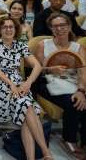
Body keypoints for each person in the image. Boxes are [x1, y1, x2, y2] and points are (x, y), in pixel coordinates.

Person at [0, 16, 53, 160]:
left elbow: (37, 66)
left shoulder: (21, 45)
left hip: (19, 85)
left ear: (16, 29)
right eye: (5, 27)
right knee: (28, 107)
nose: (9, 29)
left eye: (12, 27)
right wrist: (10, 83)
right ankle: (46, 152)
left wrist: (28, 83)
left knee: (26, 112)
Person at [35, 13, 86, 158]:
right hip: (49, 82)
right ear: (51, 28)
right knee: (73, 102)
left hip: (73, 81)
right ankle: (68, 139)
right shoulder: (42, 45)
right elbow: (37, 69)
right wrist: (50, 69)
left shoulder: (78, 47)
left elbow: (83, 71)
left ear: (69, 26)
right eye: (55, 26)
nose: (59, 29)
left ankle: (84, 140)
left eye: (63, 25)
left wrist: (81, 91)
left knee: (80, 98)